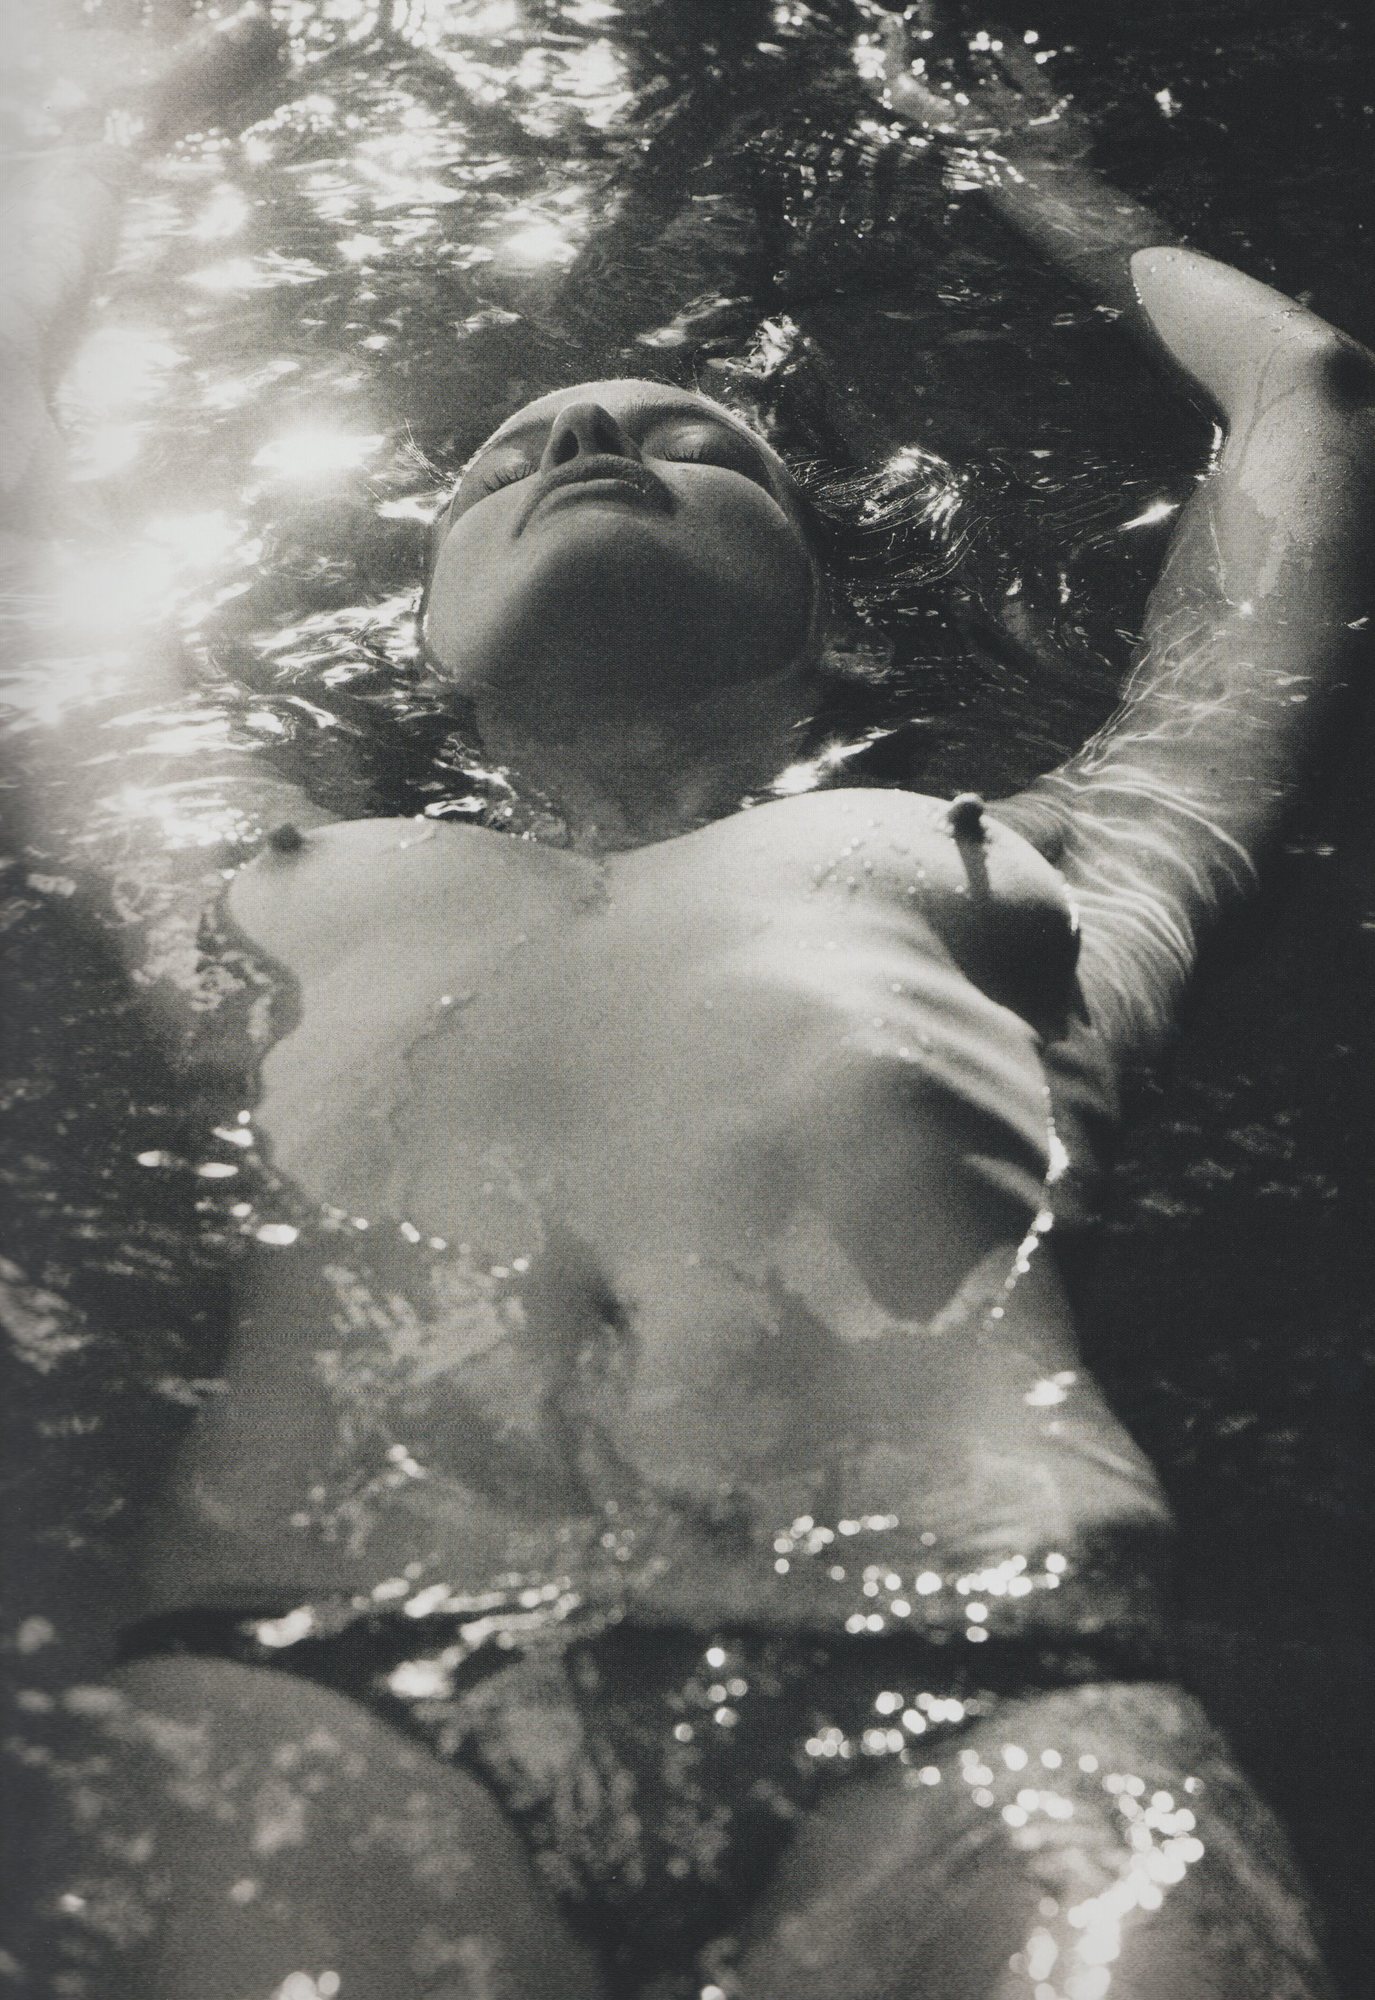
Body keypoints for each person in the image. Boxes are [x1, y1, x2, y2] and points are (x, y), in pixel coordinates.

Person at [17, 12, 1373, 2000]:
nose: (582, 441)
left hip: (978, 1677)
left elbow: (1309, 396)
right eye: (507, 461)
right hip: (325, 1668)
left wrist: (1041, 187)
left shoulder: (1045, 865)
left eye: (690, 441)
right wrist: (99, 134)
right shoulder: (252, 878)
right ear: (431, 636)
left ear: (823, 604)